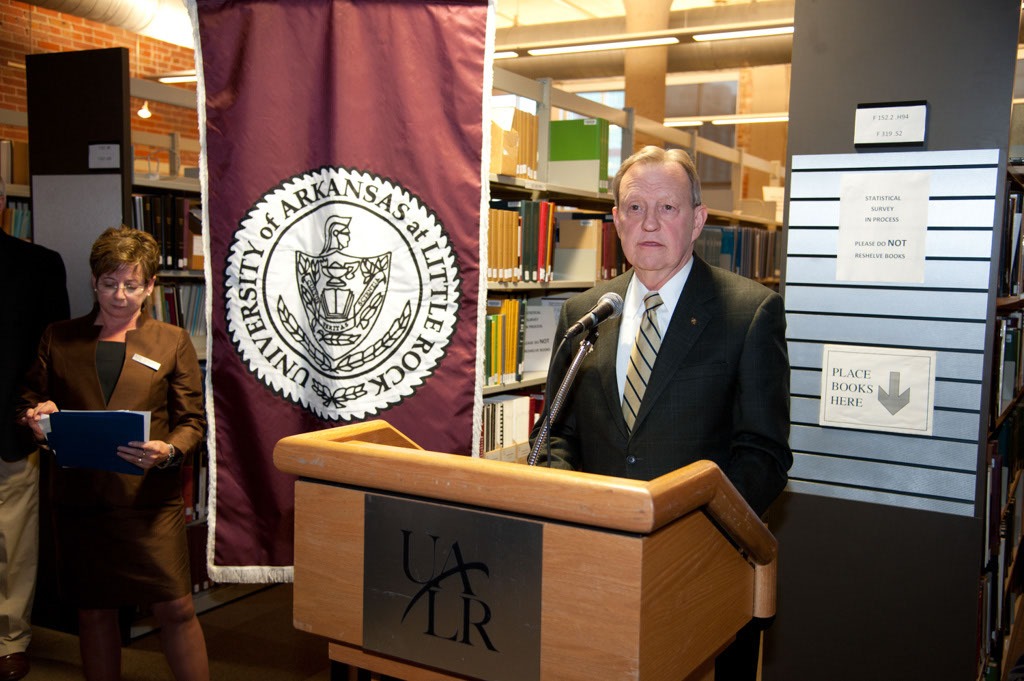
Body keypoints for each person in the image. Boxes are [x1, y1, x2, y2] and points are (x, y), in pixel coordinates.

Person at [531, 145, 792, 678]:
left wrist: (688, 536)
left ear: (697, 220)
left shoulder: (749, 312)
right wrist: (573, 514)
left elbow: (763, 454)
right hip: (594, 562)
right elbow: (555, 433)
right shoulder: (587, 313)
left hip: (703, 568)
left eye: (667, 208)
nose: (648, 222)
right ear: (616, 220)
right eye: (634, 207)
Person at [17, 226, 209, 681]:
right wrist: (35, 417)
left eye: (132, 285)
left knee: (176, 608)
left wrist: (169, 450)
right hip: (81, 501)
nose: (120, 296)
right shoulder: (59, 337)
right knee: (94, 610)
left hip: (148, 502)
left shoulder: (171, 340)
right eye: (109, 283)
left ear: (150, 286)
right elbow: (28, 401)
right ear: (93, 281)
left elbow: (192, 422)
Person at [0, 228, 69, 681]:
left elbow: (54, 350)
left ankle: (9, 640)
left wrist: (34, 411)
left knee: (14, 540)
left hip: (9, 426)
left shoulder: (38, 263)